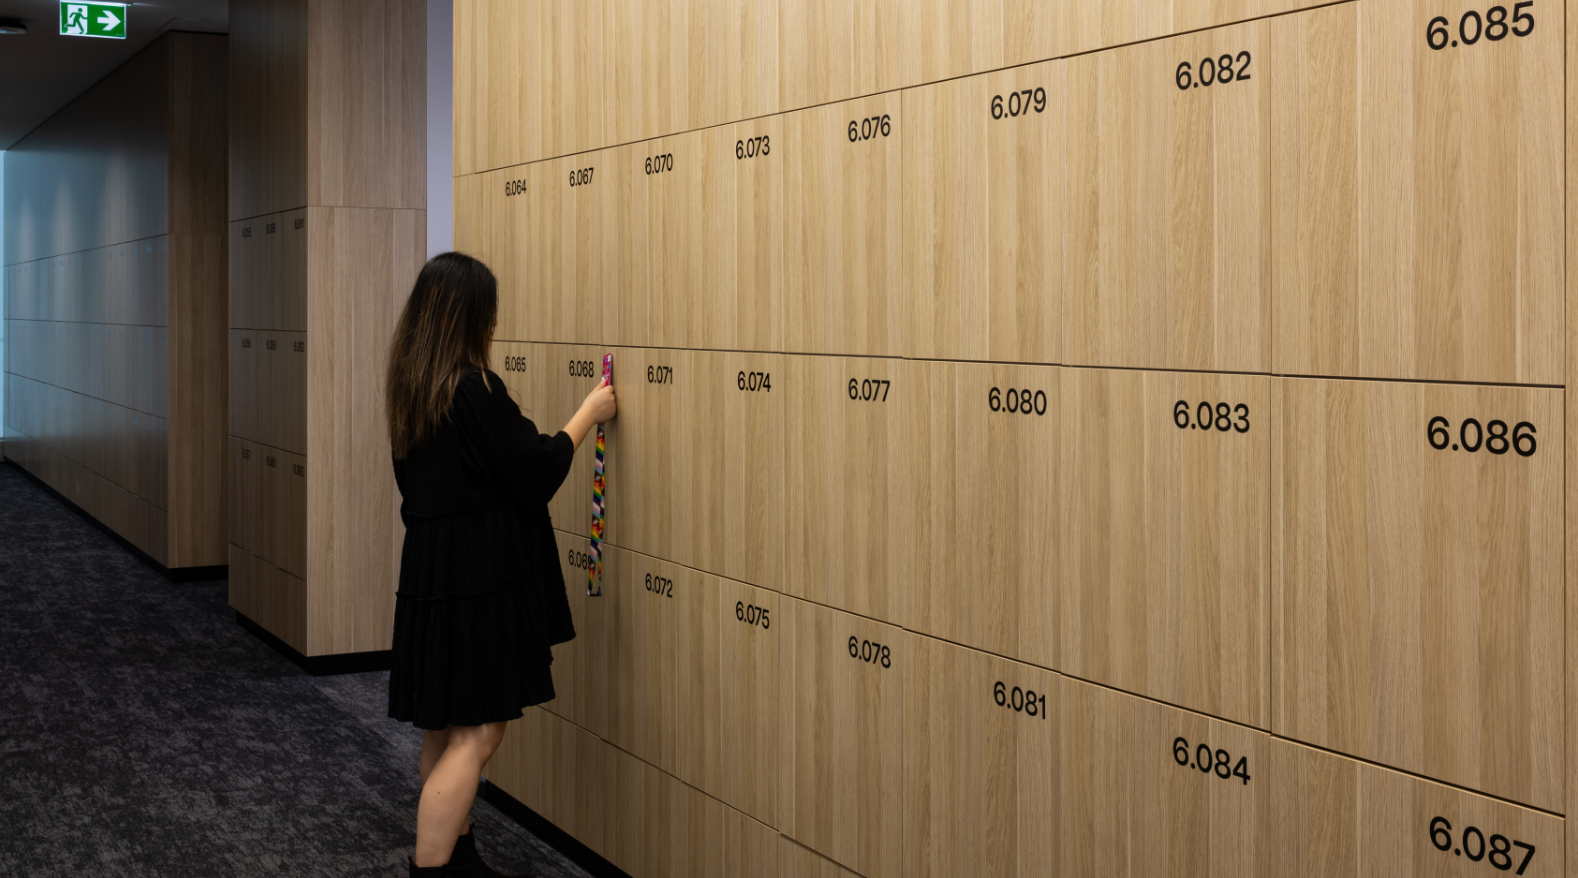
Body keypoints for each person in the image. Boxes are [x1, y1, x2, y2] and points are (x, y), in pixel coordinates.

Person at [384, 252, 617, 877]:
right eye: (487, 313)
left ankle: (459, 855)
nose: (492, 325)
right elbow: (533, 468)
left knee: (445, 727)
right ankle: (433, 869)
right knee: (479, 733)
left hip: (432, 573)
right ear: (468, 317)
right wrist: (588, 414)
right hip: (476, 577)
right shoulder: (472, 389)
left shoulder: (414, 388)